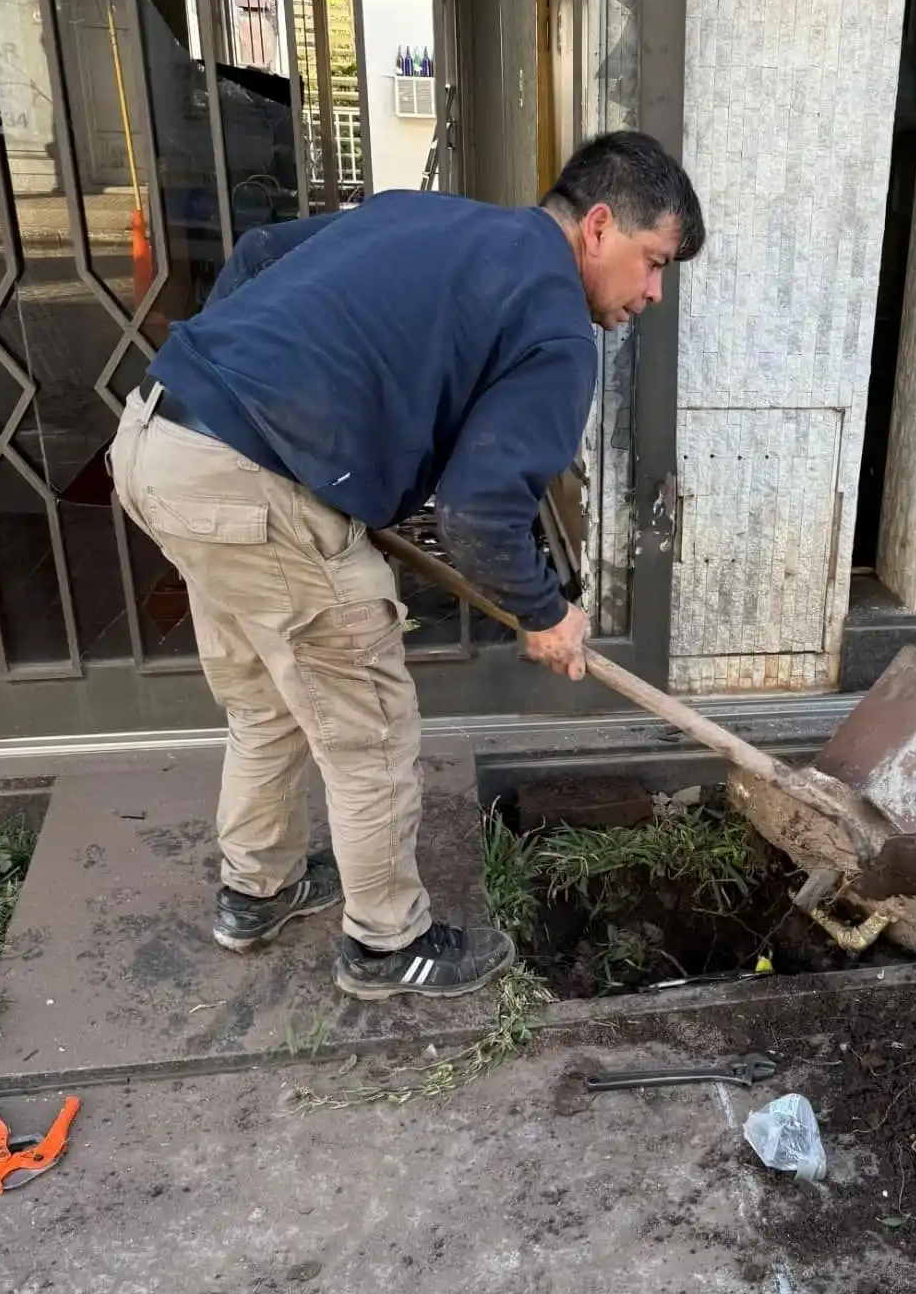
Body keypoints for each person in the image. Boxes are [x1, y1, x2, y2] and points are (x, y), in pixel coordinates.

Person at [108, 130, 705, 1002]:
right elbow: (476, 511)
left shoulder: (428, 218)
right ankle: (387, 945)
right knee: (370, 727)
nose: (652, 293)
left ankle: (256, 889)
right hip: (253, 488)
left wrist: (246, 386)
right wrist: (545, 611)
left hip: (158, 435)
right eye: (653, 264)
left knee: (268, 698)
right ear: (600, 227)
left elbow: (257, 253)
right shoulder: (555, 324)